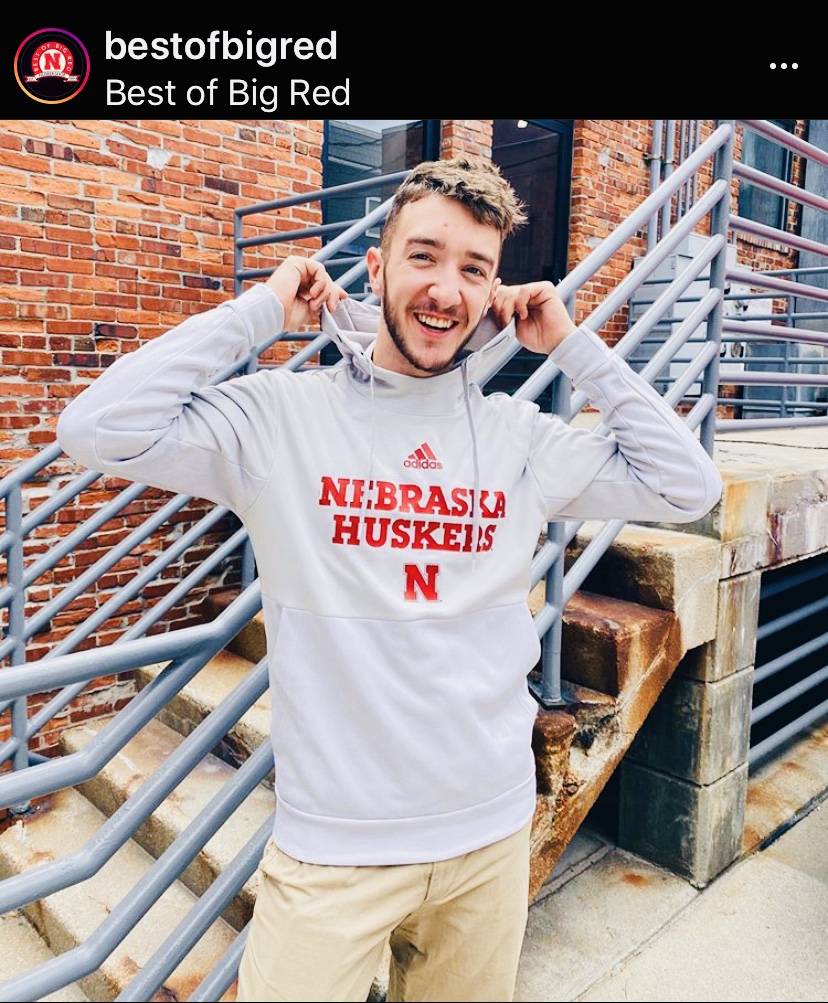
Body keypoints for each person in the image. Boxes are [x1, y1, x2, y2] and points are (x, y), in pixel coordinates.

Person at [57, 157, 722, 1002]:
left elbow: (686, 485)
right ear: (375, 268)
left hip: (489, 834)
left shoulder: (519, 436)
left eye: (474, 269)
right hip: (335, 848)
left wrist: (572, 346)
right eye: (424, 256)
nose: (446, 289)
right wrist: (261, 310)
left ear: (493, 293)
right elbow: (94, 427)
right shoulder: (279, 419)